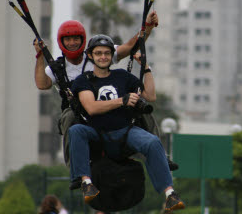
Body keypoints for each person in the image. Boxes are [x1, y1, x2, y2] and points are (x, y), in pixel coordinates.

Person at [69, 34, 185, 212]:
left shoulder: (122, 76)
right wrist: (122, 100)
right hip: (97, 135)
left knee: (153, 141)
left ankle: (170, 194)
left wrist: (145, 67)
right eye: (98, 53)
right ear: (90, 55)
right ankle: (86, 183)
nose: (103, 57)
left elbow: (150, 96)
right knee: (76, 130)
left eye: (107, 53)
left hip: (125, 132)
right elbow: (91, 108)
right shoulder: (83, 80)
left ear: (111, 56)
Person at [33, 12, 158, 167]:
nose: (72, 43)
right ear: (62, 42)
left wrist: (148, 27)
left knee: (140, 106)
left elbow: (130, 47)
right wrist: (39, 55)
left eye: (76, 39)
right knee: (68, 117)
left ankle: (157, 154)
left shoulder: (97, 54)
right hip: (79, 112)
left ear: (83, 40)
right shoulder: (57, 67)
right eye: (68, 39)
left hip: (106, 105)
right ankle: (74, 165)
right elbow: (42, 84)